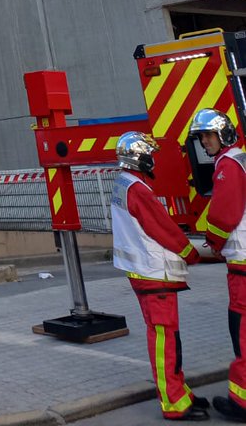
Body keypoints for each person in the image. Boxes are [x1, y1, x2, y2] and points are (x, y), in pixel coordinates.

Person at [111, 131, 207, 422]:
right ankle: (174, 402)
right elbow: (162, 227)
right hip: (154, 273)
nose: (152, 160)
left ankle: (180, 391)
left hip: (145, 273)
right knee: (165, 340)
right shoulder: (138, 189)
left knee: (165, 337)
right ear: (139, 157)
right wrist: (191, 252)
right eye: (149, 155)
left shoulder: (124, 184)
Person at [191, 108, 246, 422]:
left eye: (208, 136)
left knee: (242, 334)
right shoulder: (242, 160)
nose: (204, 143)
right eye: (201, 138)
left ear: (222, 134)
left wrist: (211, 242)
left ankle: (241, 404)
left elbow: (224, 216)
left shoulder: (228, 165)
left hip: (242, 265)